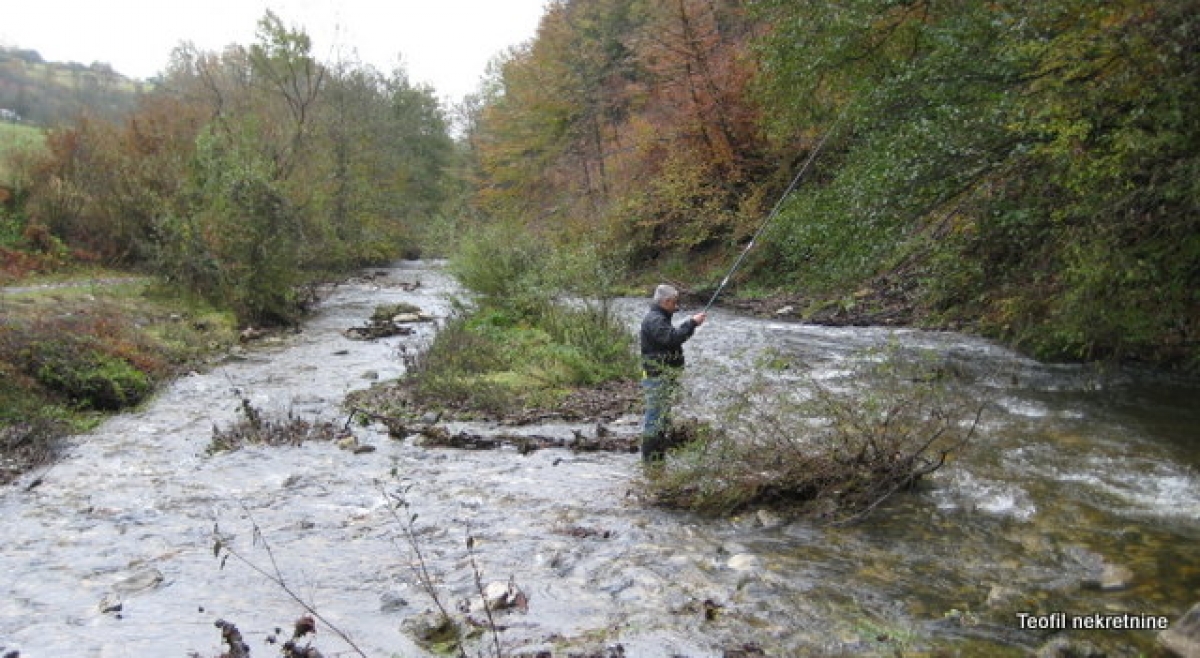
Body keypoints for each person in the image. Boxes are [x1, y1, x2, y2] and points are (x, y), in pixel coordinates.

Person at [639, 284, 706, 461]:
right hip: (657, 377)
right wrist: (692, 323)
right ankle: (650, 460)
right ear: (666, 301)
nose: (677, 306)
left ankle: (656, 463)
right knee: (655, 419)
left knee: (662, 418)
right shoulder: (654, 319)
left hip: (662, 376)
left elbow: (672, 337)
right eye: (675, 302)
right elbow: (672, 338)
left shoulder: (660, 317)